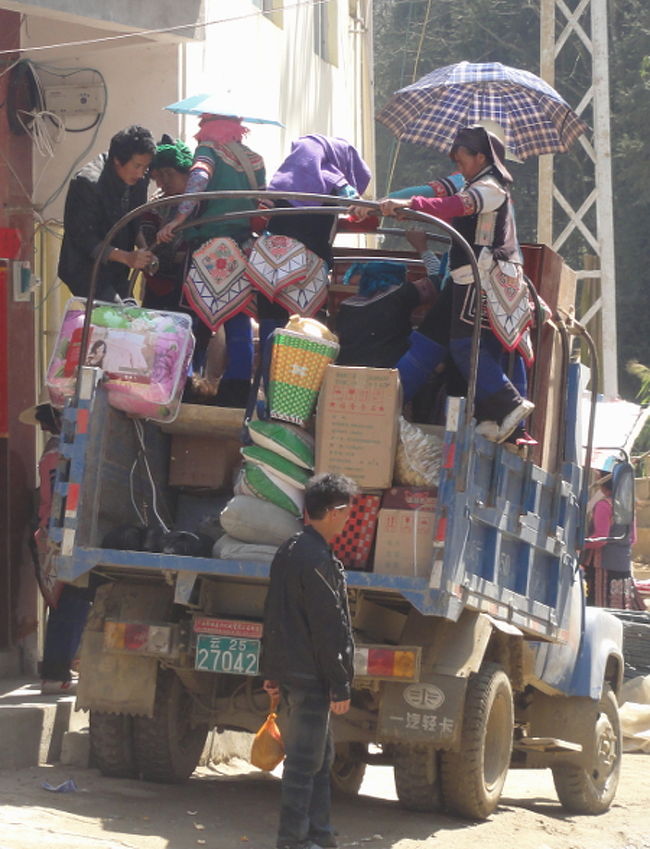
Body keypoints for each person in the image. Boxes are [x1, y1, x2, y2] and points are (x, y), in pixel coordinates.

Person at [356, 125, 534, 443]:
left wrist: (411, 205)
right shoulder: (473, 184)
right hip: (462, 279)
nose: (458, 165)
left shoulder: (492, 187)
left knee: (467, 347)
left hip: (482, 281)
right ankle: (386, 407)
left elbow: (455, 207)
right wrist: (405, 208)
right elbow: (446, 206)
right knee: (427, 344)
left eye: (462, 158)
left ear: (481, 157)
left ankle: (508, 407)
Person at [262, 473, 358, 849]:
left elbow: (273, 614)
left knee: (321, 759)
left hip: (292, 673)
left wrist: (271, 671)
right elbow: (329, 626)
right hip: (311, 678)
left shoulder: (289, 549)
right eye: (348, 512)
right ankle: (293, 842)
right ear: (333, 513)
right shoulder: (318, 558)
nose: (349, 518)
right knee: (304, 765)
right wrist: (340, 682)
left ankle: (319, 837)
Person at [157, 113, 266, 408]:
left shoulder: (207, 150)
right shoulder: (254, 159)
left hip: (207, 249)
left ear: (208, 125)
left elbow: (198, 179)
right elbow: (264, 203)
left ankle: (186, 386)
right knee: (238, 319)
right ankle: (237, 390)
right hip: (241, 250)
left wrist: (178, 219)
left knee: (194, 319)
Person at [256, 135, 372, 346]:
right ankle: (295, 377)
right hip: (309, 267)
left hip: (270, 263)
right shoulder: (336, 180)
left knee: (270, 322)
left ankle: (264, 374)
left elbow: (261, 211)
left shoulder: (283, 177)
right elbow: (359, 211)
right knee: (306, 330)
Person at [20, 398, 90, 694]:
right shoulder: (62, 453)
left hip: (52, 533)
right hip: (62, 534)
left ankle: (60, 667)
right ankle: (55, 672)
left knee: (66, 603)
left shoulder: (50, 453)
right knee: (70, 602)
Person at [58, 125, 157, 302]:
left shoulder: (140, 179)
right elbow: (84, 239)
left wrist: (144, 250)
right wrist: (127, 257)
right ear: (117, 160)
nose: (141, 173)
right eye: (137, 166)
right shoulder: (87, 183)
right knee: (115, 316)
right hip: (85, 269)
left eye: (146, 167)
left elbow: (134, 219)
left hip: (118, 268)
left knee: (130, 314)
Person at [334, 242, 437, 368]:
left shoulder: (346, 306)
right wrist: (423, 248)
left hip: (347, 367)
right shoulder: (401, 294)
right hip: (389, 370)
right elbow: (437, 281)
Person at [583, 464, 644, 610]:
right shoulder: (628, 506)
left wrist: (580, 544)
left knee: (600, 608)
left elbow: (600, 539)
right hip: (622, 566)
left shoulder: (604, 506)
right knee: (621, 607)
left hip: (603, 566)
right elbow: (633, 539)